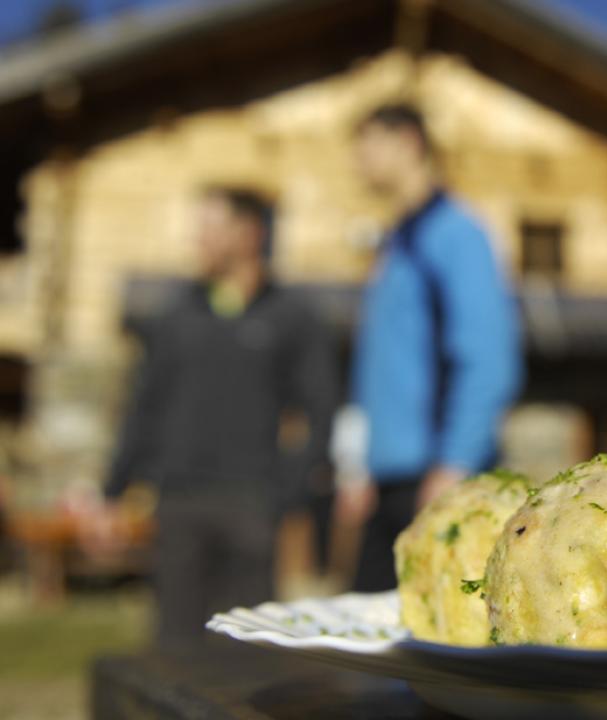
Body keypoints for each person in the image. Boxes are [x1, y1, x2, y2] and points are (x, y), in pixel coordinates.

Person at [100, 186, 338, 647]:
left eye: (211, 227)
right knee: (175, 644)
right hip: (178, 501)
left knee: (246, 648)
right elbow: (144, 406)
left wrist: (290, 489)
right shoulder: (175, 315)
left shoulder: (292, 317)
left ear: (249, 233)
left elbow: (321, 408)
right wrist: (114, 488)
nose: (199, 240)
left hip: (252, 502)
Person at [339, 103, 522, 592]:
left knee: (438, 644)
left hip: (435, 480)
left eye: (368, 144)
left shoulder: (456, 234)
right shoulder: (396, 242)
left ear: (409, 143)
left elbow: (487, 356)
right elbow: (375, 367)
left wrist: (455, 463)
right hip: (387, 483)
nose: (358, 161)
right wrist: (357, 463)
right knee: (370, 638)